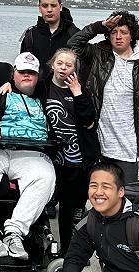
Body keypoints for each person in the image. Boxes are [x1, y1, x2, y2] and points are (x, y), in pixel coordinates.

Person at [0, 51, 55, 260]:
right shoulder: (1, 95)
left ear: (38, 76)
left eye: (31, 73)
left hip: (30, 153)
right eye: (22, 72)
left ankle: (14, 232)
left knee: (46, 176)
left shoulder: (45, 97)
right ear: (14, 74)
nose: (27, 76)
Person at [68, 10, 139, 184]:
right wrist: (99, 26)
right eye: (114, 32)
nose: (118, 36)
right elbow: (72, 45)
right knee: (99, 193)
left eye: (124, 32)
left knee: (127, 194)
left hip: (128, 145)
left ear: (132, 36)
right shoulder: (97, 54)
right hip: (98, 144)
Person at [41, 48, 100, 255]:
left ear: (75, 69)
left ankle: (68, 251)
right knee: (45, 200)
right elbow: (23, 83)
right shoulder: (43, 87)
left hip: (77, 159)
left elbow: (89, 121)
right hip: (53, 156)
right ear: (52, 65)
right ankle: (42, 244)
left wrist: (77, 93)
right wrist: (7, 84)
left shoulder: (81, 90)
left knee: (71, 207)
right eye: (60, 63)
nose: (63, 68)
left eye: (68, 65)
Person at [20, 0, 79, 69]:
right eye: (45, 6)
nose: (49, 10)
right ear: (39, 8)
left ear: (60, 7)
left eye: (53, 5)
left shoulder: (74, 34)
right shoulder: (31, 36)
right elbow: (23, 67)